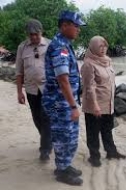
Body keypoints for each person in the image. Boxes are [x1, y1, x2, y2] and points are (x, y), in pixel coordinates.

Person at [41, 10, 85, 186]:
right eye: (76, 26)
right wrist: (73, 106)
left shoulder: (65, 44)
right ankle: (61, 171)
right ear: (65, 25)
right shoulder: (59, 47)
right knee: (63, 136)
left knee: (70, 135)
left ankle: (65, 165)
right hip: (60, 102)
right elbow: (63, 79)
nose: (78, 29)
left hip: (64, 100)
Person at [81, 36, 126, 167]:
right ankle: (94, 157)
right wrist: (95, 105)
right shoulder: (88, 64)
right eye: (100, 46)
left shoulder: (107, 61)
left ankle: (111, 152)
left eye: (105, 46)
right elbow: (89, 87)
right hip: (94, 105)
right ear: (93, 47)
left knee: (107, 129)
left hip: (108, 103)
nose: (103, 49)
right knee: (93, 132)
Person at [15, 19, 52, 161]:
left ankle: (45, 150)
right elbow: (19, 71)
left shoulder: (49, 45)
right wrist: (19, 92)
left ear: (41, 32)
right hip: (31, 89)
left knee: (46, 117)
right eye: (31, 35)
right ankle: (47, 140)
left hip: (47, 88)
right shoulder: (22, 47)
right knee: (37, 118)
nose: (34, 37)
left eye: (36, 34)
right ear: (27, 35)